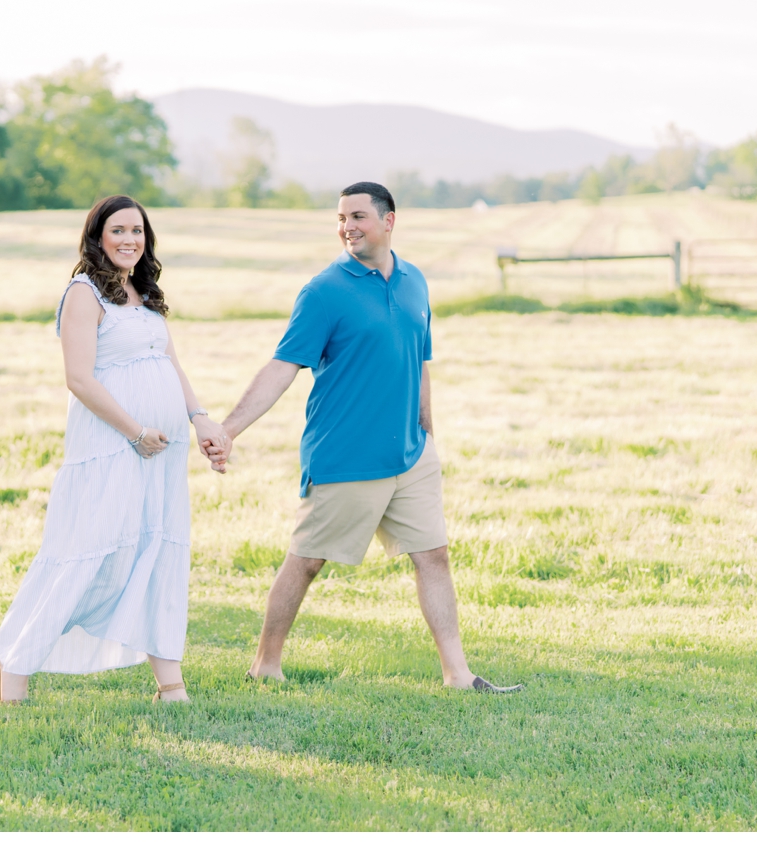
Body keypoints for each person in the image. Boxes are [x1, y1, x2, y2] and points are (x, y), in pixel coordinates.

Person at [210, 182, 523, 693]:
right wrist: (228, 428)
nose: (347, 226)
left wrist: (428, 434)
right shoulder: (324, 291)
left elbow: (420, 361)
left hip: (410, 454)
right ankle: (265, 663)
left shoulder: (415, 282)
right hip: (346, 455)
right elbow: (284, 365)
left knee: (433, 556)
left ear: (389, 220)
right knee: (307, 561)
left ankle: (458, 676)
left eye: (357, 215)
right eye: (341, 218)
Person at [0, 195, 230, 704]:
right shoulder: (83, 294)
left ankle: (172, 687)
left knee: (157, 552)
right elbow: (79, 378)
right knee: (92, 554)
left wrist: (199, 416)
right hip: (112, 445)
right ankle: (15, 664)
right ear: (97, 236)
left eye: (138, 231)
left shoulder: (143, 293)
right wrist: (134, 431)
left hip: (162, 452)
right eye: (118, 230)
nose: (129, 240)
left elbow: (170, 364)